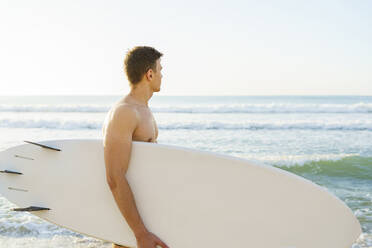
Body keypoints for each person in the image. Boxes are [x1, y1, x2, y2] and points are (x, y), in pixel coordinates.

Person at [102, 46, 169, 248]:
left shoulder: (143, 110)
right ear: (150, 74)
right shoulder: (125, 112)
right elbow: (115, 176)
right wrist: (140, 233)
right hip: (132, 226)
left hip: (145, 215)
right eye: (160, 69)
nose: (162, 75)